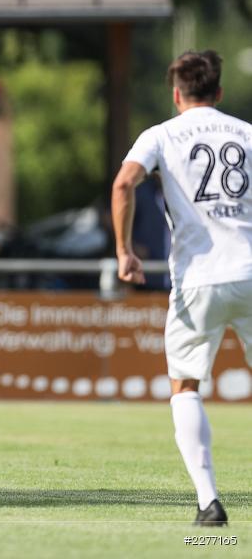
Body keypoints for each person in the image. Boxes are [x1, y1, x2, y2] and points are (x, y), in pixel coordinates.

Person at [112, 50, 252, 526]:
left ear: (176, 95)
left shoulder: (161, 134)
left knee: (185, 385)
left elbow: (124, 184)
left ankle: (209, 504)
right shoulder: (247, 133)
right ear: (219, 93)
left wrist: (124, 251)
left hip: (198, 279)